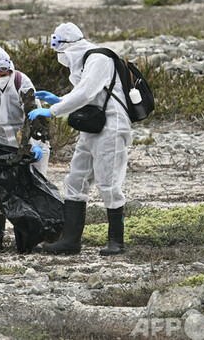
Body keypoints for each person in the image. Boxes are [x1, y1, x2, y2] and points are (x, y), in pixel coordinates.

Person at [28, 22, 132, 256]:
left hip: (112, 126)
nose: (62, 59)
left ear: (69, 46)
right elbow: (84, 91)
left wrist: (52, 111)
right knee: (76, 179)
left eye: (62, 53)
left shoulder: (99, 59)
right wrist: (59, 99)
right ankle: (71, 240)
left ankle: (116, 241)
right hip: (93, 125)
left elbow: (86, 93)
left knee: (108, 182)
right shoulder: (84, 59)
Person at [0, 41, 50, 252]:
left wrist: (36, 145)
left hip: (27, 139)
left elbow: (34, 115)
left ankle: (30, 237)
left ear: (11, 69)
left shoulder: (21, 82)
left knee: (31, 188)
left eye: (3, 72)